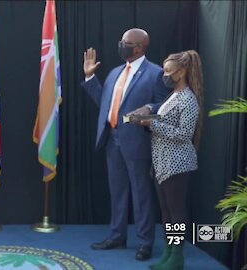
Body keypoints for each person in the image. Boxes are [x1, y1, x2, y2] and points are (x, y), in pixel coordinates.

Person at [81, 28, 170, 260]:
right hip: (112, 139)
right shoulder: (114, 73)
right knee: (117, 191)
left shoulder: (156, 73)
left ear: (140, 47)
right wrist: (90, 78)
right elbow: (105, 104)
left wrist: (147, 113)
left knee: (141, 194)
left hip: (137, 141)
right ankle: (117, 236)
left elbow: (165, 107)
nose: (122, 45)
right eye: (121, 41)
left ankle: (145, 243)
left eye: (127, 43)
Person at [133, 50, 203, 269]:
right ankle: (169, 252)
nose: (164, 75)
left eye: (167, 71)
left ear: (181, 72)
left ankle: (177, 256)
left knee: (176, 211)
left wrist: (151, 124)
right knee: (166, 212)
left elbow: (184, 133)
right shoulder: (172, 95)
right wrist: (145, 118)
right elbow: (165, 120)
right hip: (162, 163)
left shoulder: (189, 99)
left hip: (178, 164)